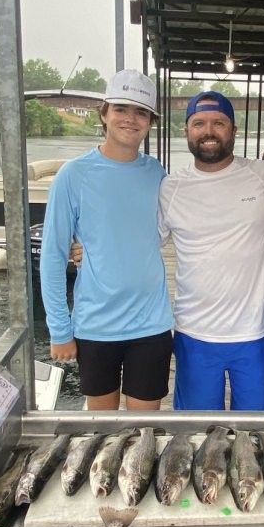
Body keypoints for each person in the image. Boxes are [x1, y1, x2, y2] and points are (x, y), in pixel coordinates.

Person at [40, 69, 173, 411]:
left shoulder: (158, 174)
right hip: (96, 325)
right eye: (121, 109)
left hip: (151, 324)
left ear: (150, 121)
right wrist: (59, 330)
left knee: (145, 430)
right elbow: (53, 256)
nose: (131, 119)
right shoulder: (73, 175)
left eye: (141, 112)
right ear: (104, 113)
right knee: (101, 433)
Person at [159, 90, 264, 411]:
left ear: (233, 130)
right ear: (186, 131)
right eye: (198, 123)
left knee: (256, 435)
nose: (209, 131)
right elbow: (143, 245)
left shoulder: (263, 176)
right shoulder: (171, 187)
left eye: (219, 122)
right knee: (194, 435)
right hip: (194, 334)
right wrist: (88, 250)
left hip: (253, 334)